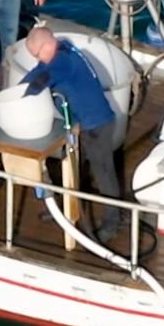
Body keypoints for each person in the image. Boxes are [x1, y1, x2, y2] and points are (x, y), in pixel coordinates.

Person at [12, 27, 129, 206]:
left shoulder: (62, 62)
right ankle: (68, 207)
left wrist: (13, 101)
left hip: (98, 125)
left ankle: (113, 217)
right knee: (73, 167)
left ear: (47, 45)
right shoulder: (62, 49)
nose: (37, 59)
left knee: (103, 172)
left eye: (37, 54)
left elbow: (39, 83)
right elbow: (37, 72)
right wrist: (13, 93)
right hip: (81, 124)